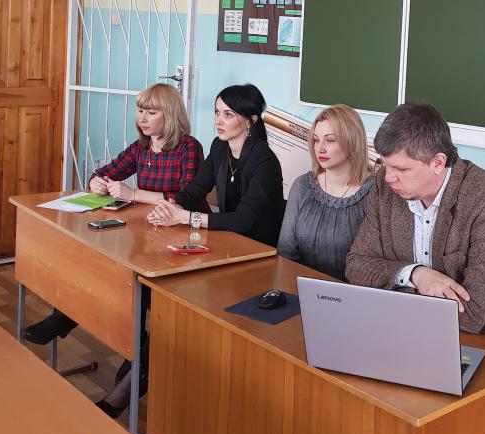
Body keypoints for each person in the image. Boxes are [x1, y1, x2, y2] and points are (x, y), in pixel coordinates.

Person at [345, 102, 485, 417]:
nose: (388, 178)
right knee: (365, 408)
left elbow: (475, 314)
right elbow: (357, 265)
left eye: (401, 169)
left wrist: (393, 296)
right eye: (385, 164)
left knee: (454, 431)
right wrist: (416, 275)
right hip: (409, 340)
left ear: (437, 162)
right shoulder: (383, 187)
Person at [23, 83, 205, 349]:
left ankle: (137, 354)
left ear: (170, 114)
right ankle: (66, 317)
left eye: (151, 112)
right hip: (149, 230)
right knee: (99, 265)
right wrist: (96, 181)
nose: (142, 118)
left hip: (183, 233)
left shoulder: (189, 147)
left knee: (131, 282)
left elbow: (185, 199)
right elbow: (105, 171)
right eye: (140, 111)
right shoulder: (141, 147)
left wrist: (134, 194)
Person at [147, 83, 284, 244]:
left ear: (250, 121)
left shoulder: (265, 162)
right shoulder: (219, 147)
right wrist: (169, 209)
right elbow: (194, 191)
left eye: (228, 115)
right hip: (228, 239)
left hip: (258, 246)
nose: (218, 121)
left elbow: (243, 220)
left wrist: (187, 217)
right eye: (217, 112)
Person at [278, 104, 373, 280]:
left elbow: (374, 265)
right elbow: (286, 254)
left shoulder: (375, 193)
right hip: (302, 288)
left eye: (330, 140)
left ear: (352, 141)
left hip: (353, 292)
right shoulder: (302, 186)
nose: (320, 148)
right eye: (316, 140)